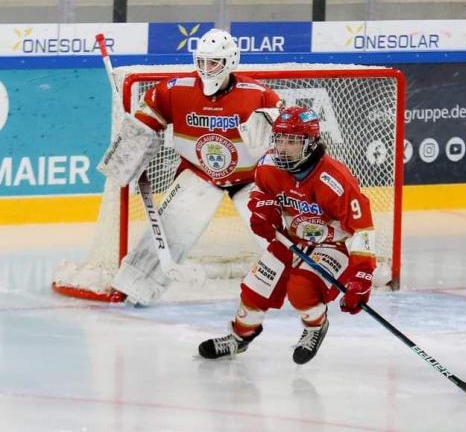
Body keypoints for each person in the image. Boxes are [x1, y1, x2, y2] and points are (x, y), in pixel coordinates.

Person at [97, 28, 284, 305]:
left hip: (251, 178)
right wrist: (130, 148)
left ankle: (307, 283)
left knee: (278, 233)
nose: (206, 69)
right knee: (172, 227)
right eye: (202, 62)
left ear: (231, 61)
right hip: (200, 174)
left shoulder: (259, 95)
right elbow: (148, 116)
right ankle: (134, 286)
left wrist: (273, 124)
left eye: (214, 62)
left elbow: (289, 136)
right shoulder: (176, 89)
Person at [198, 106, 377, 364]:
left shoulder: (336, 179)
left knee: (301, 288)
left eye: (291, 141)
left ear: (311, 143)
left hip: (329, 244)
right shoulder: (268, 166)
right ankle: (239, 338)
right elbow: (261, 193)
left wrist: (361, 276)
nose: (282, 147)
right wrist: (262, 211)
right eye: (279, 139)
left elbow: (363, 228)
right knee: (254, 289)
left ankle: (315, 326)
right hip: (289, 239)